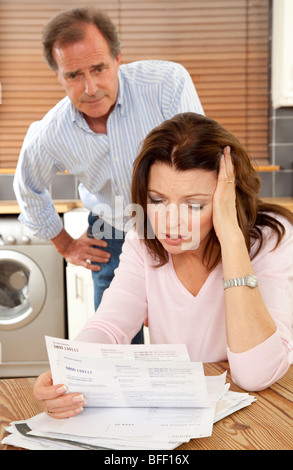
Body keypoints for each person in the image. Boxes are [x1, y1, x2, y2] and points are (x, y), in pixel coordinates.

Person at [33, 112, 293, 419]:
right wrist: (71, 372)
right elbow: (109, 326)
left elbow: (255, 374)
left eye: (194, 205)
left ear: (227, 200)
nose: (171, 222)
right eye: (157, 200)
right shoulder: (143, 243)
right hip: (181, 416)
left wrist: (232, 240)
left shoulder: (270, 238)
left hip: (262, 416)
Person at [13, 7, 204, 343]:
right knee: (115, 351)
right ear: (58, 75)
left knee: (189, 343)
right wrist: (65, 244)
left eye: (98, 68)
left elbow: (202, 162)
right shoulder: (51, 132)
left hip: (183, 229)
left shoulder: (165, 85)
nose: (90, 87)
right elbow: (28, 188)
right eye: (73, 75)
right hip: (112, 234)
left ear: (118, 58)